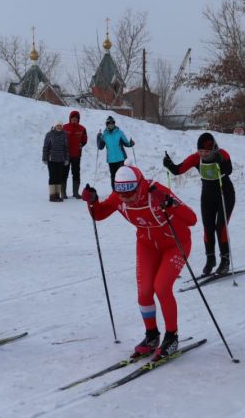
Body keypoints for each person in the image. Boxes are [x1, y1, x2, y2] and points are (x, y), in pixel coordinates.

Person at [82, 165, 197, 361]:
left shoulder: (156, 192)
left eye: (131, 194)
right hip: (147, 245)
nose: (126, 199)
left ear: (139, 186)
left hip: (175, 243)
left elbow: (192, 219)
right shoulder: (118, 196)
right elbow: (99, 214)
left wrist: (170, 204)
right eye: (121, 194)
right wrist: (92, 201)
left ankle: (171, 338)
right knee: (144, 292)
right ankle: (151, 336)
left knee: (161, 288)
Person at [164, 132, 236, 276]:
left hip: (225, 194)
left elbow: (229, 170)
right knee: (208, 228)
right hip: (207, 197)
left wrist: (220, 161)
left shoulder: (222, 154)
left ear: (213, 149)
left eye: (206, 151)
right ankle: (210, 260)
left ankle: (225, 261)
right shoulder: (196, 158)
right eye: (201, 151)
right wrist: (169, 164)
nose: (203, 154)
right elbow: (178, 170)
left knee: (220, 227)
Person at [97, 115, 134, 190]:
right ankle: (115, 192)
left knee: (122, 175)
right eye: (109, 124)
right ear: (107, 125)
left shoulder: (119, 132)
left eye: (112, 124)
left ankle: (123, 190)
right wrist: (98, 137)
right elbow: (100, 147)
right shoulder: (104, 135)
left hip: (121, 158)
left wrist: (131, 143)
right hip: (111, 160)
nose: (111, 125)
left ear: (114, 124)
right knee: (113, 176)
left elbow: (126, 143)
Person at [63, 110, 88, 198]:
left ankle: (76, 193)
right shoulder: (64, 127)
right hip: (66, 155)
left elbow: (84, 139)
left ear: (78, 119)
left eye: (76, 119)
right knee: (64, 173)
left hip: (76, 155)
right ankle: (63, 193)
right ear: (70, 119)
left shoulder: (82, 129)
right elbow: (60, 138)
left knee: (76, 173)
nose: (74, 120)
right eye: (73, 118)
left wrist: (82, 144)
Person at [43, 121, 69, 202]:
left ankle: (57, 195)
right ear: (55, 126)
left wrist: (67, 159)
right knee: (52, 176)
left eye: (60, 126)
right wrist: (44, 158)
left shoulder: (64, 135)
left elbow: (66, 148)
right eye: (57, 125)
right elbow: (45, 147)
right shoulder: (49, 134)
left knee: (59, 177)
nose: (59, 127)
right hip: (52, 159)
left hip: (61, 159)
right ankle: (52, 196)